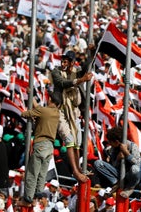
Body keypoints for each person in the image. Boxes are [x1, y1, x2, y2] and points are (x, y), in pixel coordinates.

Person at [50, 49, 92, 183]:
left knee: (77, 143)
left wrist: (90, 54)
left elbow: (86, 68)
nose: (63, 63)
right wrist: (80, 80)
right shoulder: (56, 72)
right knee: (69, 140)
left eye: (66, 61)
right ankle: (74, 170)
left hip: (75, 112)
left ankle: (78, 168)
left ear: (72, 63)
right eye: (62, 60)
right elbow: (62, 83)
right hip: (61, 110)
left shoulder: (76, 71)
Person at [17, 92, 62, 207]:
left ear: (50, 99)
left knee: (32, 173)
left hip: (40, 144)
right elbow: (39, 109)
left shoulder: (43, 111)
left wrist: (30, 113)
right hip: (50, 147)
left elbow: (24, 114)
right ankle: (37, 194)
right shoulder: (56, 113)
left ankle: (28, 199)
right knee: (42, 173)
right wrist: (31, 95)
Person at [92, 126, 141, 198]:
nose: (110, 144)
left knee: (135, 169)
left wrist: (127, 154)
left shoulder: (132, 146)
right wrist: (117, 159)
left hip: (133, 178)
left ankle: (130, 187)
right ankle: (116, 182)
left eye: (110, 142)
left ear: (116, 142)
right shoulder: (112, 149)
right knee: (98, 163)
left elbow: (137, 164)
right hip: (121, 176)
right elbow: (112, 167)